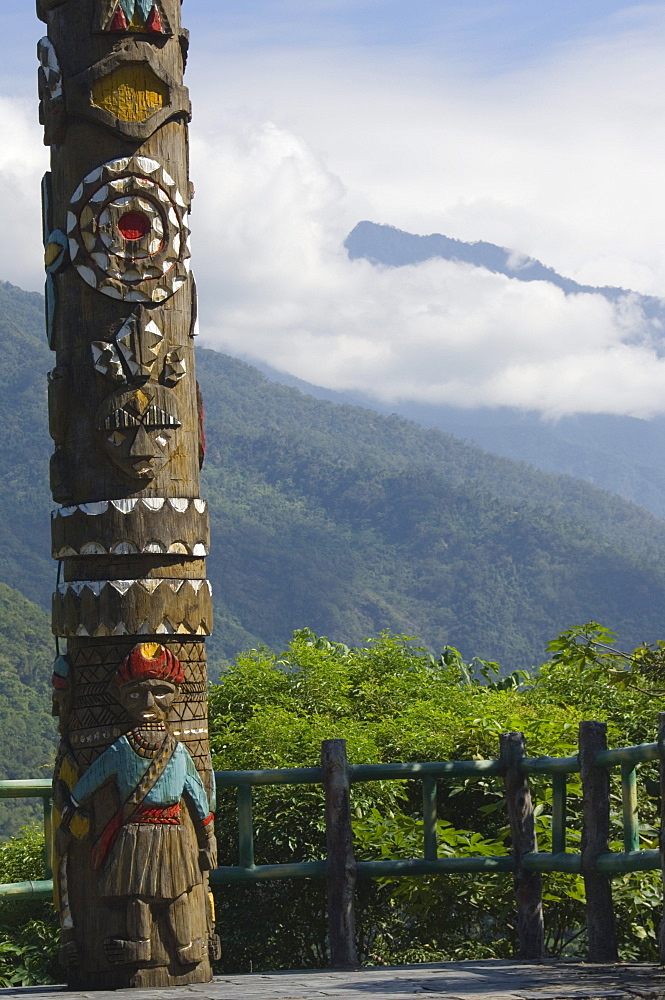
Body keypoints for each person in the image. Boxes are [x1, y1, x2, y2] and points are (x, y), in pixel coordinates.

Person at [59, 642, 217, 966]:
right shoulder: (123, 748)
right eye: (134, 694)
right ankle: (140, 943)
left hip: (171, 831)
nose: (148, 703)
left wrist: (208, 837)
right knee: (137, 895)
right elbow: (89, 783)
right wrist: (71, 806)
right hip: (136, 832)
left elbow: (198, 797)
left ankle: (185, 946)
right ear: (120, 697)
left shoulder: (176, 751)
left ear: (176, 692)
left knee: (177, 893)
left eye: (160, 692)